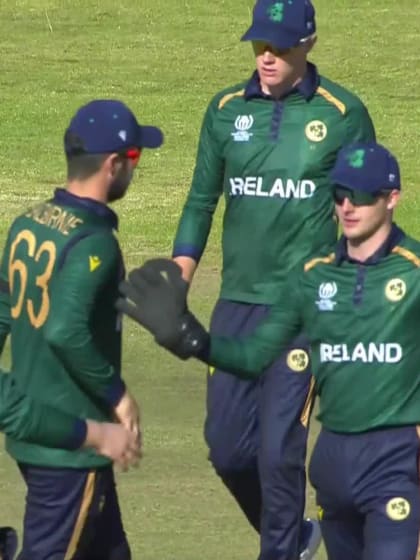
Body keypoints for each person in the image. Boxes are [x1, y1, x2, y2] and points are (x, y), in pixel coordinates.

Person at [118, 141, 420, 560]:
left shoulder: (414, 271)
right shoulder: (313, 278)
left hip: (395, 463)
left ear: (392, 199)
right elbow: (255, 356)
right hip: (333, 465)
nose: (348, 206)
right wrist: (192, 340)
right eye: (339, 194)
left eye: (363, 196)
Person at [171, 0, 375, 557]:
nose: (267, 57)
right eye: (259, 46)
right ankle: (297, 537)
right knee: (227, 451)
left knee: (279, 451)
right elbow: (200, 200)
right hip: (237, 304)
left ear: (308, 44)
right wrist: (180, 273)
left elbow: (366, 209)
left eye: (279, 47)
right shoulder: (224, 110)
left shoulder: (342, 114)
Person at [0, 98, 163, 560]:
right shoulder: (95, 244)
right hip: (70, 446)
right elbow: (64, 331)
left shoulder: (26, 222)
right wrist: (118, 395)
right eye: (134, 159)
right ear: (114, 164)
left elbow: (3, 305)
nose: (135, 169)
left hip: (40, 429)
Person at [0, 369, 140, 560]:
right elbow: (64, 337)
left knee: (109, 551)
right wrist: (100, 428)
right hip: (63, 448)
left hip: (51, 436)